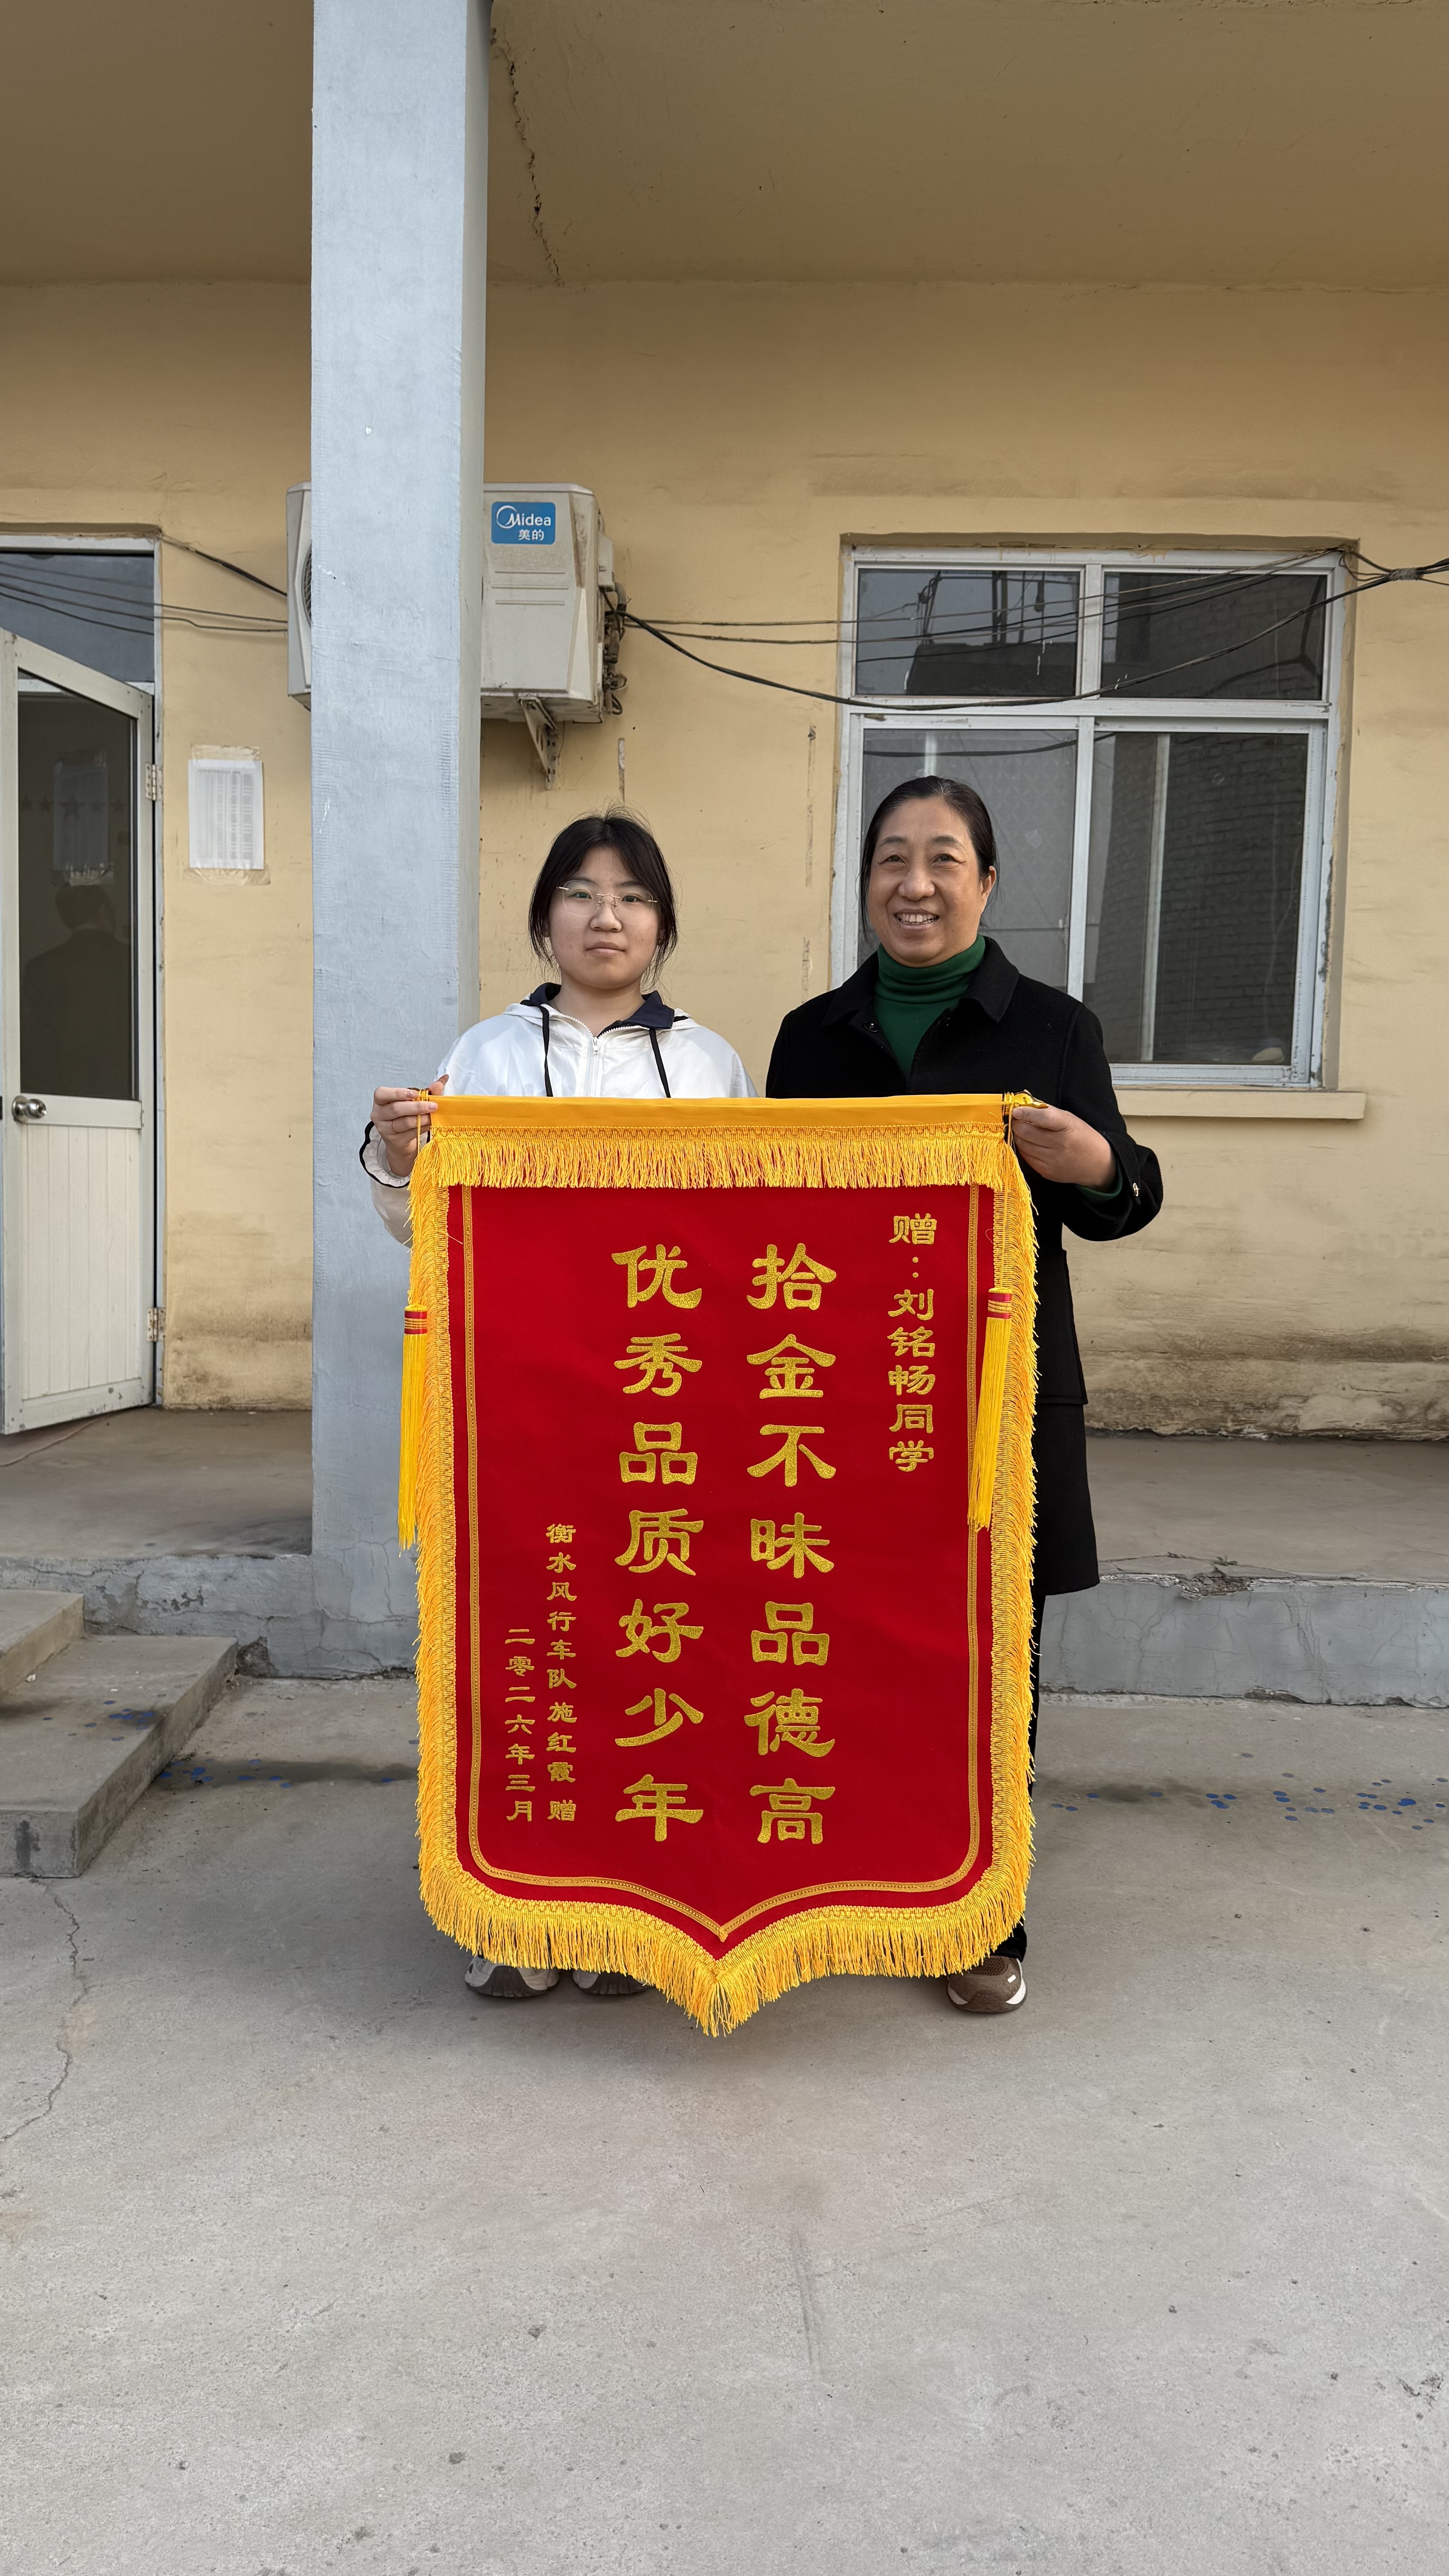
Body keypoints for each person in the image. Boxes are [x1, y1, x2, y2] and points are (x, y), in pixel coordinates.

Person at [767, 775, 1162, 2016]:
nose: (916, 883)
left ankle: (984, 1916)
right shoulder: (810, 1039)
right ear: (866, 882)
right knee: (843, 1648)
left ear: (987, 883)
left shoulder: (1053, 1030)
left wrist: (1094, 1162)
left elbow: (1125, 1201)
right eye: (893, 857)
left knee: (988, 1662)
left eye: (944, 859)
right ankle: (854, 1883)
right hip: (835, 1405)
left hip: (1000, 1406)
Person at [363, 810, 754, 2005]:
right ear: (544, 921)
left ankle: (629, 1911)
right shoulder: (483, 1054)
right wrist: (397, 1154)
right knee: (525, 1648)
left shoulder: (711, 1066)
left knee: (649, 1653)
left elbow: (749, 1237)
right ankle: (517, 1913)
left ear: (663, 926)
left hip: (662, 1413)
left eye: (632, 896)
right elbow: (421, 1224)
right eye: (580, 894)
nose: (605, 917)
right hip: (517, 1406)